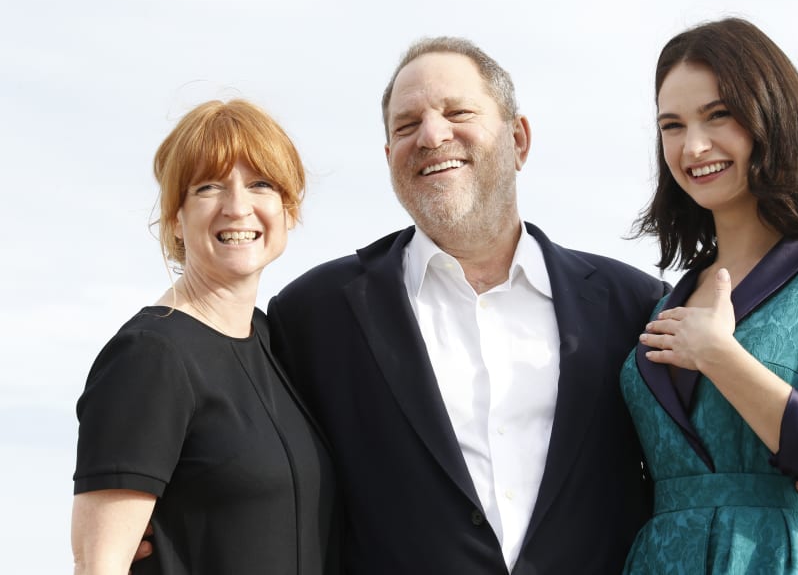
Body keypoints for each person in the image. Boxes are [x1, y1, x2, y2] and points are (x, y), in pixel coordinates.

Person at [266, 37, 668, 574]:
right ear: (390, 160)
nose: (432, 136)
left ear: (519, 139)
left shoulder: (636, 305)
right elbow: (251, 457)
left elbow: (700, 465)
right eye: (406, 126)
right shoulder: (312, 315)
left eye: (458, 112)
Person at [71, 100, 339, 574]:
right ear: (176, 216)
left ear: (288, 210)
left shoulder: (277, 345)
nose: (238, 207)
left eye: (260, 184)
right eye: (209, 187)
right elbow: (99, 565)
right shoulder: (150, 356)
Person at [621, 17, 798, 573]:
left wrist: (718, 355)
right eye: (672, 125)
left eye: (719, 115)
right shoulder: (667, 299)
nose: (693, 146)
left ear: (772, 116)